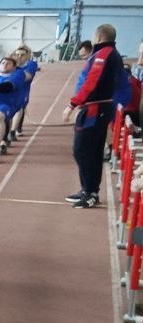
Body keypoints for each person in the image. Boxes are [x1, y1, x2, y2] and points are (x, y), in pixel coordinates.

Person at [63, 24, 126, 208]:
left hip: (95, 109)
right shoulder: (111, 54)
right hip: (100, 108)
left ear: (98, 37)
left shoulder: (104, 54)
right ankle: (89, 190)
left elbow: (92, 81)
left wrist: (72, 104)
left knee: (83, 150)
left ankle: (90, 192)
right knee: (93, 150)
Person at [10, 45, 39, 140]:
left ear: (27, 56)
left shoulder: (31, 64)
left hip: (23, 90)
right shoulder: (10, 63)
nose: (19, 57)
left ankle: (15, 130)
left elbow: (27, 77)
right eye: (17, 54)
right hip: (10, 89)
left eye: (22, 55)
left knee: (20, 107)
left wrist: (16, 68)